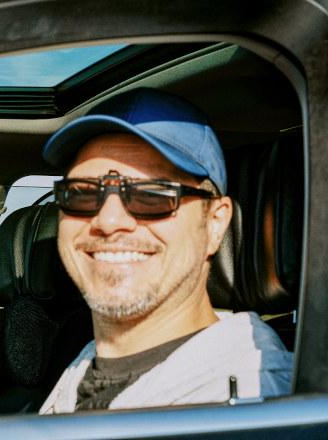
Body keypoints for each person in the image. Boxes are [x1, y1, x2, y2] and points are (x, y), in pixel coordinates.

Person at [38, 88, 292, 413]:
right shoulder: (82, 365)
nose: (109, 220)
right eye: (83, 194)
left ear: (215, 223)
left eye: (152, 195)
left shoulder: (253, 401)